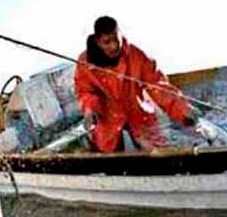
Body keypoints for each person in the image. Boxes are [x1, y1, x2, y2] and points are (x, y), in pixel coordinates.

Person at [74, 16, 209, 153]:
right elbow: (84, 91)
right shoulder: (85, 62)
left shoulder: (137, 55)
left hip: (136, 111)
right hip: (107, 116)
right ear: (97, 41)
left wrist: (183, 109)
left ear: (120, 33)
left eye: (116, 39)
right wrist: (90, 110)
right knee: (105, 153)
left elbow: (158, 85)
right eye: (107, 42)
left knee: (157, 150)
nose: (114, 46)